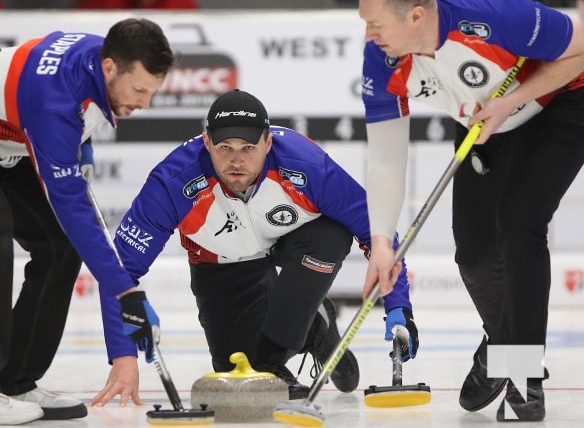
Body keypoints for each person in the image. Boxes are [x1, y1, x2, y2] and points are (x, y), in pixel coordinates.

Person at [0, 18, 175, 425]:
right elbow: (74, 208)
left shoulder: (100, 58)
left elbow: (76, 129)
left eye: (153, 92)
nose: (145, 103)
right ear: (110, 68)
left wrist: (84, 145)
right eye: (140, 90)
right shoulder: (54, 104)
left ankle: (16, 380)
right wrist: (126, 292)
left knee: (58, 245)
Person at [358, 0, 584, 422]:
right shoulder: (381, 60)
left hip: (562, 101)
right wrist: (382, 241)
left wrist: (516, 99)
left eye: (376, 24)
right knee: (475, 252)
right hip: (484, 122)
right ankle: (504, 341)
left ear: (415, 16)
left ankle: (521, 375)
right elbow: (385, 156)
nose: (368, 35)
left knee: (519, 222)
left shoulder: (496, 12)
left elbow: (582, 48)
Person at [90, 89, 418, 407]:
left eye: (248, 147)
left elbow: (376, 230)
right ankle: (317, 327)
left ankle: (274, 363)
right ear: (207, 142)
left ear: (268, 142)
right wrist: (123, 358)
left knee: (330, 236)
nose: (237, 160)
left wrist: (398, 305)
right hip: (223, 258)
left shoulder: (304, 164)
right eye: (225, 147)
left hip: (295, 239)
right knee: (234, 369)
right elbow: (119, 269)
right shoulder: (173, 182)